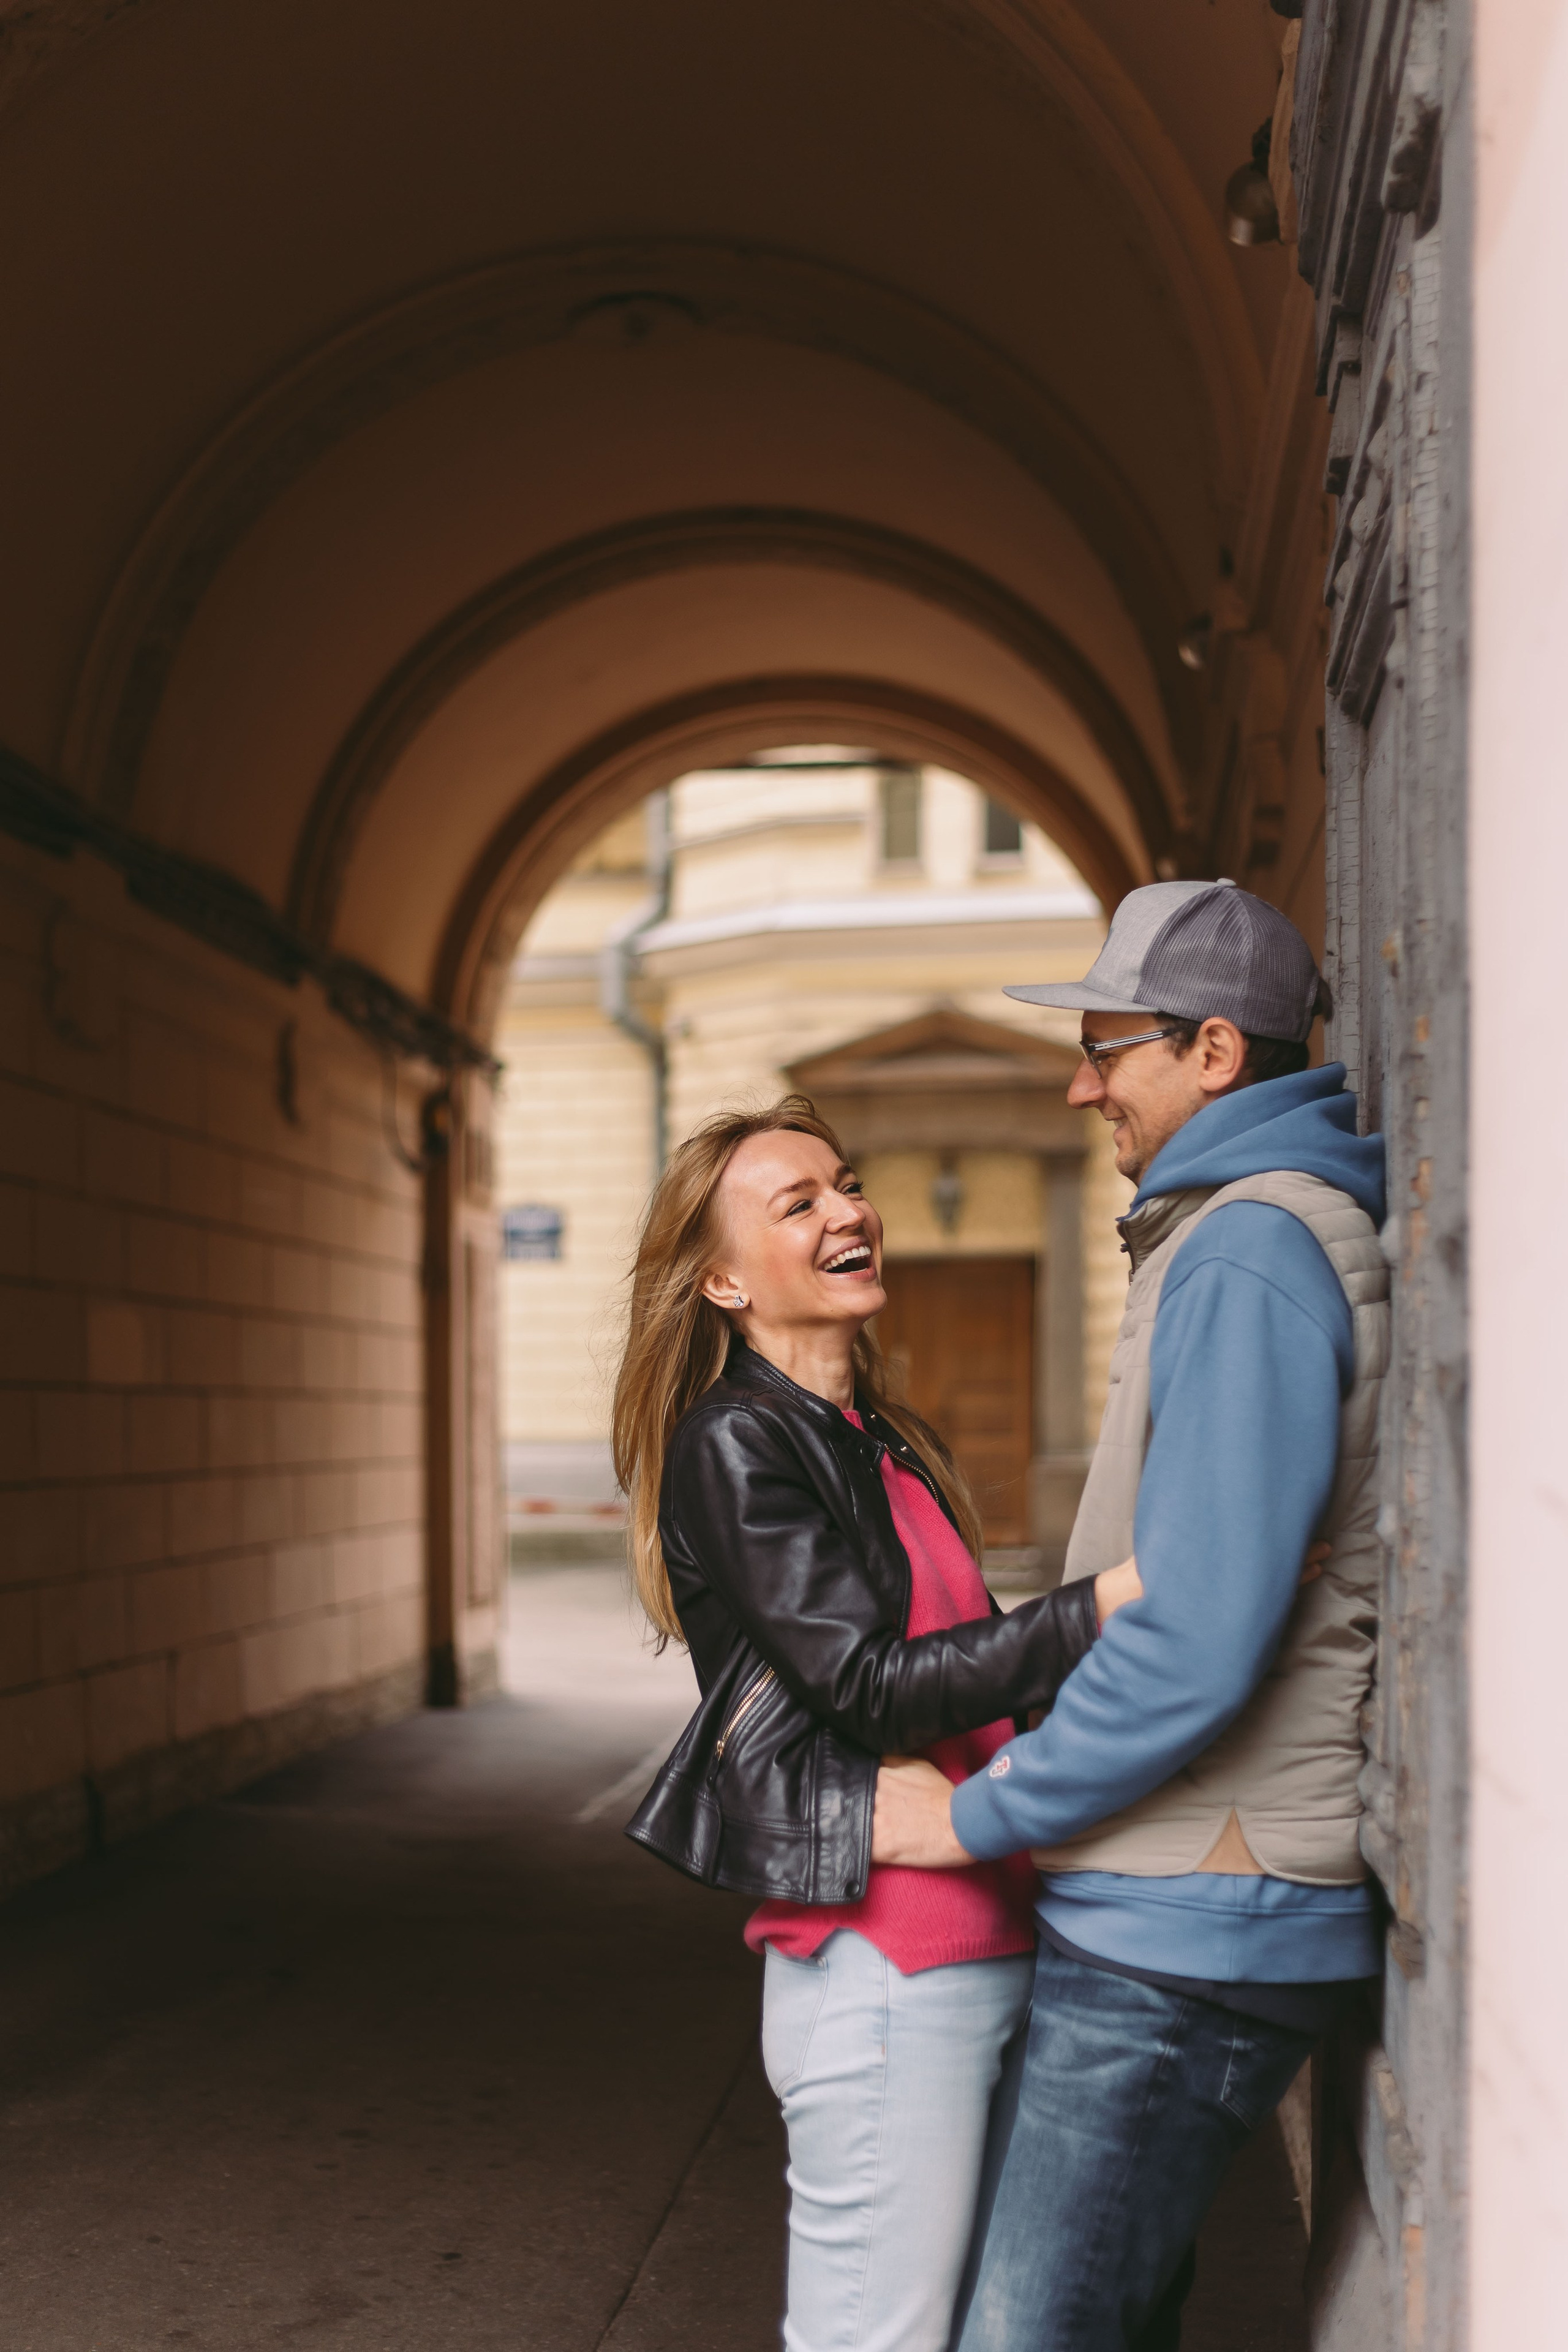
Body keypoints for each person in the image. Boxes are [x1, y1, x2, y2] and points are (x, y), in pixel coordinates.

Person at [873, 878, 1389, 2351]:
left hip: (1190, 1912)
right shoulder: (1232, 1232)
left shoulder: (1241, 1247)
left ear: (1213, 1052)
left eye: (1110, 1046)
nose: (1077, 1080)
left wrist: (979, 1817)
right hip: (1187, 1893)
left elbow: (1200, 1625)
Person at [613, 1096, 1156, 2352]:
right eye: (795, 1203)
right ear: (721, 1283)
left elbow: (976, 1689)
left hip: (988, 1931)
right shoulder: (735, 1444)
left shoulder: (883, 1445)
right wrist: (1117, 1599)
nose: (847, 1210)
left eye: (844, 1184)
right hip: (884, 1966)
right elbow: (865, 1684)